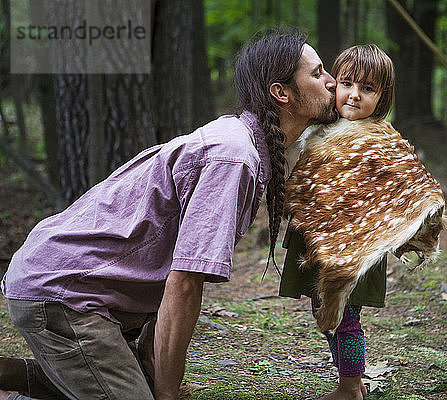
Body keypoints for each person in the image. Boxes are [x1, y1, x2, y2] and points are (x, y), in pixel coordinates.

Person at [0, 29, 337, 400]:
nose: (333, 82)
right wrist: (167, 393)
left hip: (72, 284)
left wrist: (152, 367)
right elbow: (183, 282)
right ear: (282, 93)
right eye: (318, 73)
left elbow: (162, 268)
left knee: (131, 385)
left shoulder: (246, 150)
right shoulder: (234, 156)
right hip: (64, 292)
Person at [279, 44, 395, 400]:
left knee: (345, 317)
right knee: (324, 310)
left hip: (350, 247)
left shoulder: (375, 140)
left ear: (383, 97)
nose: (355, 95)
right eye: (347, 83)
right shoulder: (325, 129)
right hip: (318, 242)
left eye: (369, 88)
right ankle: (353, 380)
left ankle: (348, 389)